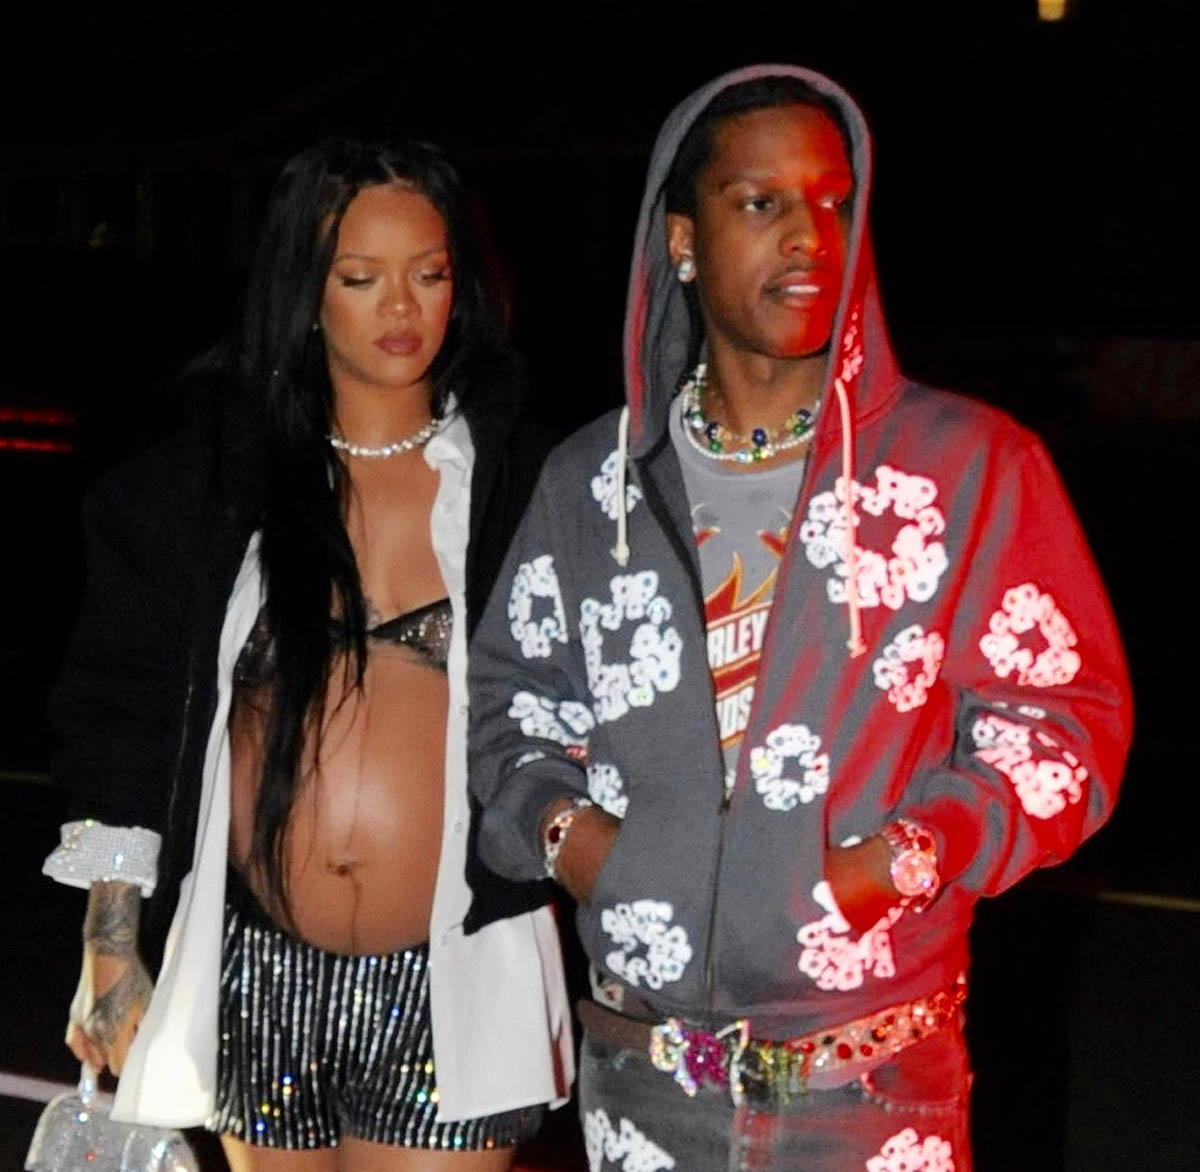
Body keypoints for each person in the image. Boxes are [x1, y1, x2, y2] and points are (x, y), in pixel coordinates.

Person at [465, 66, 1132, 1170]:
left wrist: (892, 862)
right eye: (761, 201)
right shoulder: (592, 485)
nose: (811, 236)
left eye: (834, 202)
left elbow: (1065, 725)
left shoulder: (965, 469)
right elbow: (511, 707)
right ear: (683, 239)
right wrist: (578, 844)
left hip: (870, 1087)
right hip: (645, 1079)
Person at [43, 138, 572, 1171]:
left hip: (452, 982)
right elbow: (121, 710)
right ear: (306, 292)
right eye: (361, 277)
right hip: (256, 975)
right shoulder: (211, 480)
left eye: (429, 273)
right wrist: (109, 943)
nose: (400, 306)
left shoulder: (523, 482)